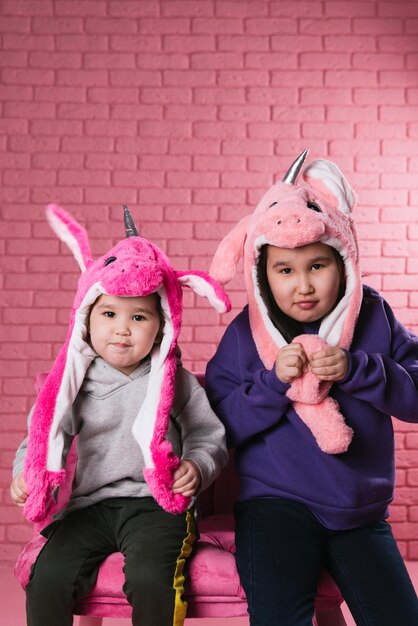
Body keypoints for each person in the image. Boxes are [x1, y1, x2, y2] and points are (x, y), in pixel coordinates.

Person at [205, 150, 418, 626]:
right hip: (275, 505)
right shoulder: (245, 336)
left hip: (359, 510)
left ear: (344, 262)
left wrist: (358, 368)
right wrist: (273, 382)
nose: (303, 285)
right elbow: (217, 426)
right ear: (262, 274)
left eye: (317, 266)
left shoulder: (374, 317)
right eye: (285, 270)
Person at [10, 204, 229, 626]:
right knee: (49, 577)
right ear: (87, 321)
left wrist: (197, 466)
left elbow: (208, 435)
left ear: (162, 325)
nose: (122, 329)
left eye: (139, 317)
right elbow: (39, 439)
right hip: (89, 506)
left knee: (151, 579)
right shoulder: (73, 384)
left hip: (154, 506)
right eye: (109, 314)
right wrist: (27, 474)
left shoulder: (174, 381)